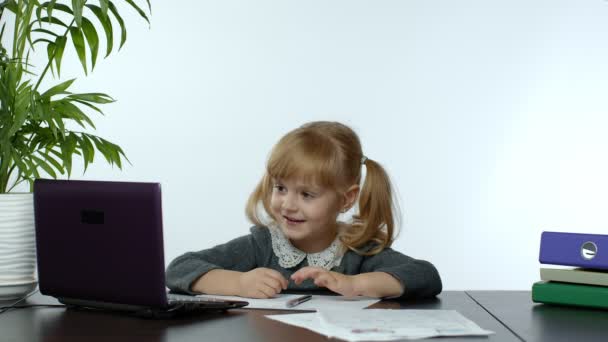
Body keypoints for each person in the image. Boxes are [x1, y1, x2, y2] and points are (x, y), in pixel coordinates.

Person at [166, 121, 442, 299]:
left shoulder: (358, 251)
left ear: (346, 199)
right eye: (281, 188)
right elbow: (180, 269)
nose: (288, 204)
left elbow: (426, 275)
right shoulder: (262, 245)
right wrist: (238, 283)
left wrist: (355, 285)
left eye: (307, 194)